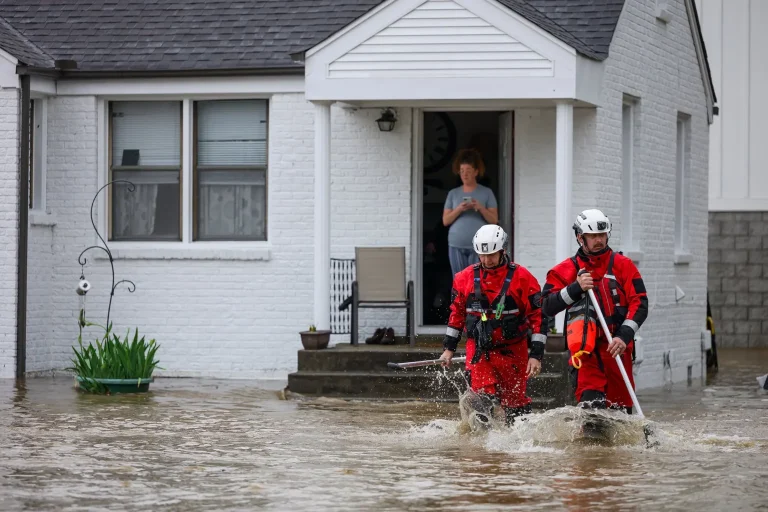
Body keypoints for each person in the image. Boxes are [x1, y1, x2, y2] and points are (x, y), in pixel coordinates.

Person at [541, 209, 649, 413]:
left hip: (617, 350)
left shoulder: (623, 266)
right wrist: (575, 288)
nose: (599, 240)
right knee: (593, 417)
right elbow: (547, 305)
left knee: (621, 418)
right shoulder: (566, 269)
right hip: (585, 354)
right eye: (593, 236)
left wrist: (624, 336)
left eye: (602, 235)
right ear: (580, 237)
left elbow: (640, 303)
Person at [439, 224, 547, 426]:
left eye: (492, 255)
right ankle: (482, 450)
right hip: (480, 350)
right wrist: (448, 349)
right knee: (480, 399)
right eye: (482, 255)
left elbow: (538, 317)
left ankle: (516, 447)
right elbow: (457, 316)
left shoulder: (523, 278)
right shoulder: (464, 279)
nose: (487, 260)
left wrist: (536, 356)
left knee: (516, 404)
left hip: (513, 352)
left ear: (503, 251)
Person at [442, 149, 499, 276]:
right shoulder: (453, 193)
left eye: (468, 171)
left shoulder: (486, 192)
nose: (464, 174)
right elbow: (445, 221)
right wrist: (459, 209)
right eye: (462, 171)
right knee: (460, 280)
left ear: (476, 172)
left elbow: (494, 220)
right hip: (456, 244)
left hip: (479, 246)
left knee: (477, 281)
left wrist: (480, 207)